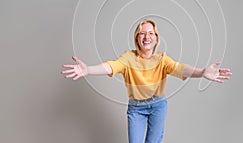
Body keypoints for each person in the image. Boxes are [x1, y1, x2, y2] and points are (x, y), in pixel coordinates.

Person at [61, 19, 232, 143]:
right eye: (142, 33)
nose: (146, 37)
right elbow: (110, 66)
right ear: (137, 38)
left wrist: (202, 72)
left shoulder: (162, 59)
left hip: (158, 106)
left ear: (156, 39)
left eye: (151, 33)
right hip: (136, 109)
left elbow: (181, 69)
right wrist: (88, 70)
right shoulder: (128, 58)